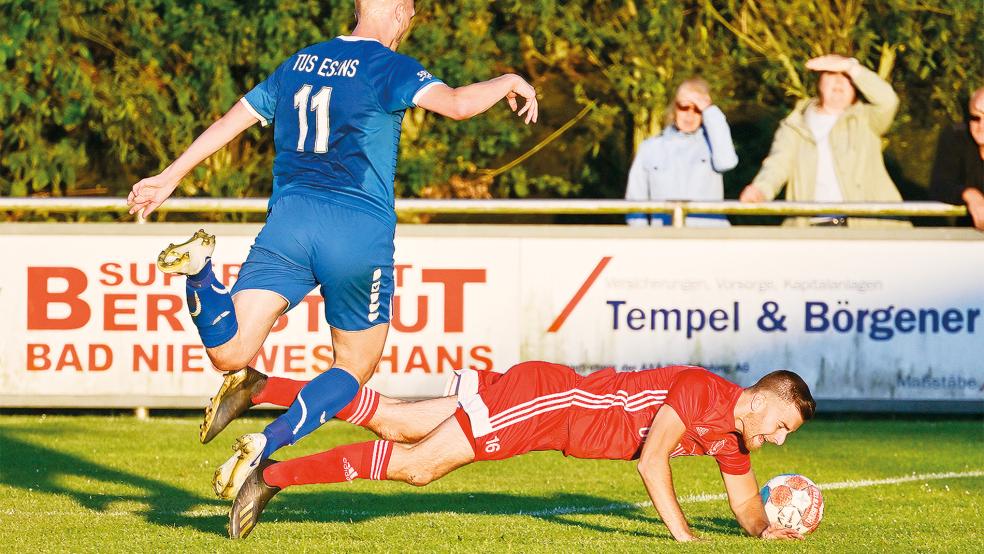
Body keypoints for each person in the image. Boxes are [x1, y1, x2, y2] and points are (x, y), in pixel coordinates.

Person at [125, 0, 539, 473]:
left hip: (290, 224)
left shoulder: (298, 62)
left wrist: (170, 176)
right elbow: (461, 105)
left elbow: (232, 121)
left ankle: (201, 275)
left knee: (230, 351)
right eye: (411, 15)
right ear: (400, 10)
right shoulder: (390, 67)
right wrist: (509, 80)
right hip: (357, 233)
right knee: (353, 369)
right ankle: (269, 440)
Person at [219, 361, 814, 541]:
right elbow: (651, 459)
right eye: (781, 425)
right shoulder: (704, 391)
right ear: (762, 400)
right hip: (548, 402)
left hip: (545, 413)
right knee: (421, 465)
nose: (778, 441)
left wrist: (765, 530)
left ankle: (261, 388)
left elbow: (743, 502)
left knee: (396, 421)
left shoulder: (737, 437)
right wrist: (682, 537)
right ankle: (273, 476)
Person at [739, 55, 909, 228]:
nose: (839, 83)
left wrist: (850, 66)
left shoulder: (867, 119)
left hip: (868, 227)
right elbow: (777, 165)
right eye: (831, 75)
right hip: (812, 228)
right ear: (819, 83)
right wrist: (760, 190)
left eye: (846, 78)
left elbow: (888, 100)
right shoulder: (794, 125)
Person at [625, 77, 738, 227]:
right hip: (664, 241)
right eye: (684, 107)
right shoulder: (650, 148)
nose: (689, 115)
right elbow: (635, 201)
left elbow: (727, 162)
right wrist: (644, 238)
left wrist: (710, 111)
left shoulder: (713, 144)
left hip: (709, 239)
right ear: (674, 108)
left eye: (697, 109)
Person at [929, 87, 984, 231]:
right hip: (969, 236)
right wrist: (969, 194)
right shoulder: (956, 137)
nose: (981, 126)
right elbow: (939, 185)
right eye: (976, 118)